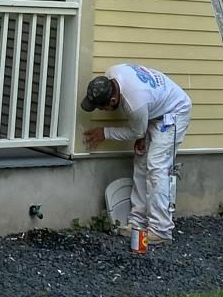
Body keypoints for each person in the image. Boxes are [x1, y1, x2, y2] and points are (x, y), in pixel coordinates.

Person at [81, 62, 192, 245]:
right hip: (153, 111)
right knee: (141, 160)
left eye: (101, 108)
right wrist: (141, 130)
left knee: (157, 167)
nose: (101, 111)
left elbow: (136, 130)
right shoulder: (112, 74)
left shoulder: (134, 102)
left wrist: (105, 133)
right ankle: (138, 222)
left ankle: (161, 229)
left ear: (113, 101)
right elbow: (139, 127)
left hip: (174, 113)